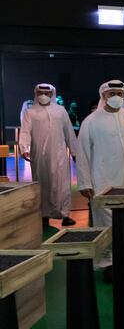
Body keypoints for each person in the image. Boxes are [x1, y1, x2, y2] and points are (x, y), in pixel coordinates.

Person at [76, 80, 124, 266]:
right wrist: (85, 183)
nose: (116, 97)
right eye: (111, 93)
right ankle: (108, 264)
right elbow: (82, 153)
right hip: (102, 181)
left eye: (119, 94)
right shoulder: (90, 121)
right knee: (106, 224)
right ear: (103, 95)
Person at [19, 83, 79, 228]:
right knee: (42, 184)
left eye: (47, 93)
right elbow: (25, 132)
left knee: (62, 184)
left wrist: (74, 151)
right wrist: (24, 148)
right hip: (39, 156)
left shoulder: (61, 111)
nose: (43, 96)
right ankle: (44, 216)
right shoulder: (30, 112)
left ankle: (65, 215)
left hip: (59, 155)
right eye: (40, 93)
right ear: (36, 93)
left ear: (52, 94)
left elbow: (69, 132)